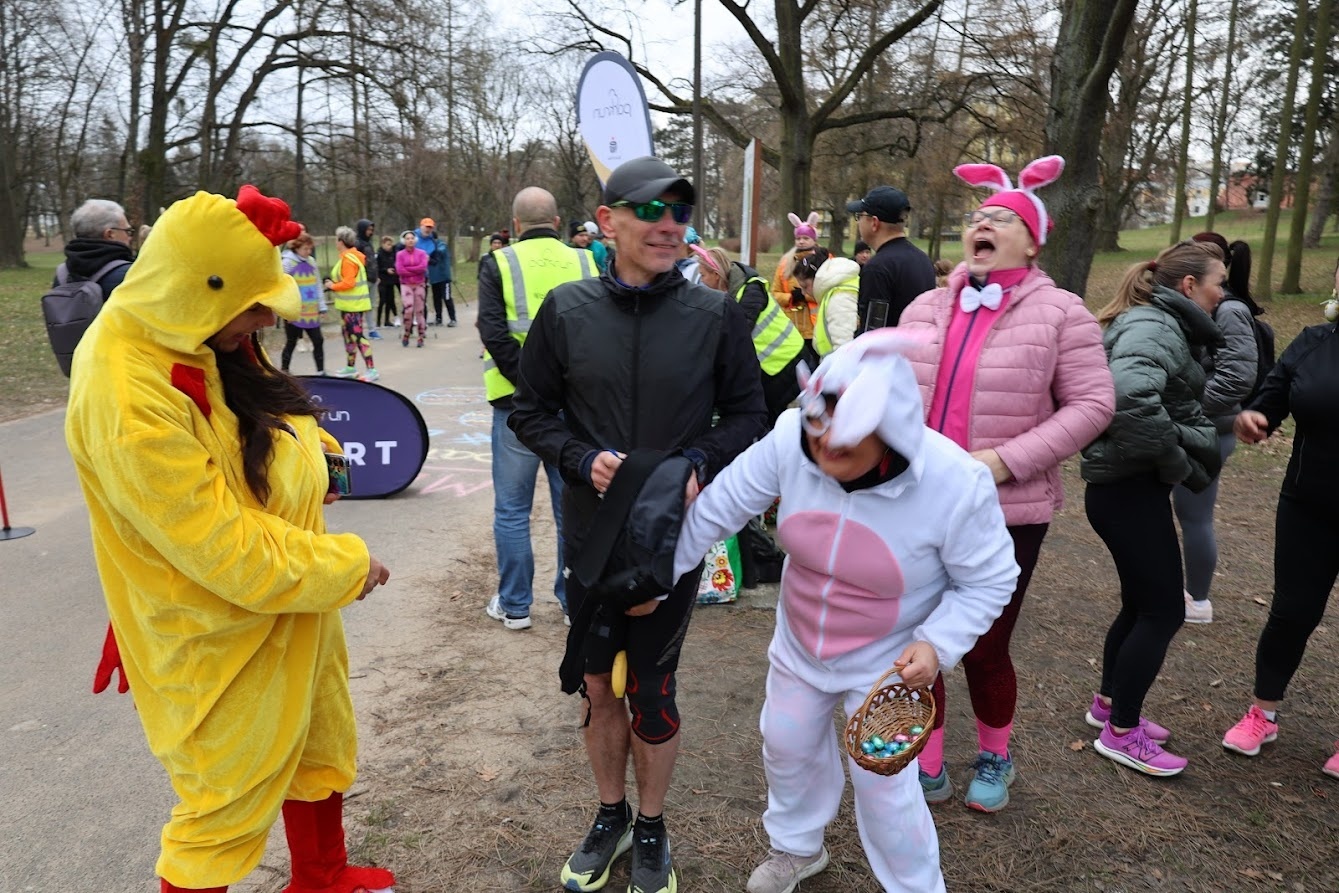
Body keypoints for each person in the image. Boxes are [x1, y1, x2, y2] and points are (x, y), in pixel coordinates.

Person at [64, 185, 394, 893]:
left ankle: (321, 874)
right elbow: (220, 546)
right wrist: (347, 563)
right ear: (202, 284)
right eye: (253, 305)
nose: (263, 321)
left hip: (291, 602)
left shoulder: (205, 328)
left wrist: (320, 458)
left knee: (317, 740)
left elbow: (268, 419)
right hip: (215, 623)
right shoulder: (124, 388)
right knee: (223, 794)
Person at [672, 329, 1019, 893]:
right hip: (800, 642)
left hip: (887, 658)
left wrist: (937, 642)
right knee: (785, 742)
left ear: (891, 434)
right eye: (819, 438)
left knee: (883, 782)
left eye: (848, 445)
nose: (826, 454)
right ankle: (796, 849)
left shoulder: (955, 483)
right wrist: (652, 582)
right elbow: (719, 507)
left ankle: (916, 885)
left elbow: (990, 577)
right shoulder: (791, 440)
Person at [508, 156, 767, 893]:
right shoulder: (565, 309)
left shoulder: (713, 314)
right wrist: (578, 457)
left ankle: (651, 825)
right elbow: (528, 411)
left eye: (680, 213)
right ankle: (610, 812)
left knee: (653, 689)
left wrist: (694, 462)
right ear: (608, 220)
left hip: (672, 537)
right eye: (650, 211)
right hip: (591, 533)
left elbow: (748, 413)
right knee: (598, 686)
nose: (666, 225)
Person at [898, 156, 1116, 811]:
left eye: (1001, 217)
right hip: (916, 506)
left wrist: (1003, 461)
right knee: (921, 643)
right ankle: (927, 758)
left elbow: (1092, 405)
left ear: (1031, 238)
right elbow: (885, 390)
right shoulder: (925, 304)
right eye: (976, 217)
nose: (982, 222)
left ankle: (995, 755)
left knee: (986, 645)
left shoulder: (1061, 312)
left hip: (1005, 512)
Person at [1080, 240, 1226, 777]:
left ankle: (1109, 706)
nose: (1221, 293)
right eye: (1218, 282)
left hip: (1126, 489)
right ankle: (1123, 732)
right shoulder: (1153, 326)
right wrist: (1176, 456)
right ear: (1189, 286)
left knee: (1140, 604)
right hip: (1128, 489)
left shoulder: (1155, 322)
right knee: (1163, 610)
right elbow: (1129, 399)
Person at [1220, 261, 1339, 780]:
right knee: (1291, 613)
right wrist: (1256, 417)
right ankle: (1262, 713)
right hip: (1308, 505)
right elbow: (1272, 398)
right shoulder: (1314, 342)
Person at [478, 186, 595, 630]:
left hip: (514, 405)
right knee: (572, 508)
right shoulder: (586, 260)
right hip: (574, 406)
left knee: (511, 509)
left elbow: (493, 332)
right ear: (558, 220)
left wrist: (529, 388)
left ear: (514, 225)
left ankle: (515, 606)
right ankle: (572, 601)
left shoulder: (499, 262)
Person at [1173, 232, 1261, 624]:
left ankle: (1198, 600)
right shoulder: (1190, 308)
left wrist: (1187, 406)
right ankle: (1181, 591)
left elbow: (1237, 377)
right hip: (1188, 426)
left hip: (1210, 429)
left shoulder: (1229, 310)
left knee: (1194, 515)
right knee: (1180, 511)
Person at [698, 244, 804, 425]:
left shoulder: (749, 293)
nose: (700, 280)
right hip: (773, 366)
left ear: (716, 275)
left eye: (703, 275)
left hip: (785, 363)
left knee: (766, 419)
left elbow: (734, 338)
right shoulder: (731, 294)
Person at [847, 185, 935, 331]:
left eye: (859, 216)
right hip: (921, 349)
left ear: (874, 223)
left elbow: (872, 331)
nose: (858, 222)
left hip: (890, 352)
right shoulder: (923, 259)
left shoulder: (878, 268)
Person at [323, 226, 378, 381]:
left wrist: (332, 286)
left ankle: (371, 369)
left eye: (336, 239)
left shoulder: (348, 259)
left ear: (341, 241)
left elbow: (349, 283)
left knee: (358, 335)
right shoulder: (348, 257)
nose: (335, 242)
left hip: (354, 306)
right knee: (348, 336)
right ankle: (350, 367)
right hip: (347, 306)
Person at [55, 198, 136, 299]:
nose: (130, 237)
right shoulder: (130, 274)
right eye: (127, 230)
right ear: (110, 234)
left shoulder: (62, 273)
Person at [795, 249, 860, 359]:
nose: (803, 292)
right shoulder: (834, 291)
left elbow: (843, 344)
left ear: (817, 277)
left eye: (805, 286)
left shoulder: (839, 298)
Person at [279, 232, 326, 375]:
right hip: (295, 312)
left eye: (310, 249)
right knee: (291, 342)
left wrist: (322, 306)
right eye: (305, 249)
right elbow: (281, 286)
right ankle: (284, 370)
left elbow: (318, 283)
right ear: (297, 248)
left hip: (311, 311)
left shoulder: (311, 261)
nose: (308, 252)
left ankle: (320, 371)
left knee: (318, 340)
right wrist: (285, 310)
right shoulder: (287, 263)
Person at [772, 211, 819, 344]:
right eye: (798, 239)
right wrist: (790, 297)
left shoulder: (823, 260)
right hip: (791, 327)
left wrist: (805, 296)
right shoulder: (785, 262)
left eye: (805, 238)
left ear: (814, 239)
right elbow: (775, 293)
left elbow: (828, 293)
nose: (801, 242)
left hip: (815, 327)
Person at [416, 217, 456, 326]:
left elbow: (441, 251)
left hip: (444, 276)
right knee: (436, 298)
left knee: (447, 297)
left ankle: (453, 319)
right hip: (433, 277)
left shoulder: (440, 245)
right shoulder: (420, 242)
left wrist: (429, 253)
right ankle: (439, 318)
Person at [395, 230, 429, 348]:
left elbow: (423, 267)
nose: (410, 240)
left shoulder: (421, 253)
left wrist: (409, 269)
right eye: (407, 238)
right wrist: (414, 270)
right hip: (406, 284)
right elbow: (400, 270)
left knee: (419, 311)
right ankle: (407, 332)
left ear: (415, 240)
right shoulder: (400, 254)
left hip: (419, 284)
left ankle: (421, 335)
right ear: (404, 241)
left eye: (412, 238)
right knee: (408, 309)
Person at [354, 219, 381, 339]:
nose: (370, 232)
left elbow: (373, 261)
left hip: (373, 278)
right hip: (362, 280)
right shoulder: (357, 244)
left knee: (371, 305)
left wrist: (377, 275)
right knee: (361, 306)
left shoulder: (369, 243)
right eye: (368, 229)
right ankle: (357, 329)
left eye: (371, 230)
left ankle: (372, 329)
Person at [375, 234, 400, 329]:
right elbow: (378, 267)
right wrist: (386, 270)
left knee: (391, 300)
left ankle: (387, 320)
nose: (390, 246)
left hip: (391, 280)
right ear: (383, 244)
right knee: (382, 300)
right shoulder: (379, 254)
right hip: (382, 280)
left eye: (391, 244)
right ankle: (378, 321)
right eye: (388, 244)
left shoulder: (393, 253)